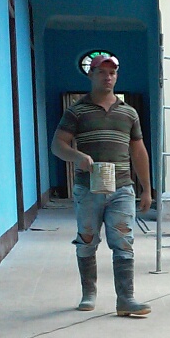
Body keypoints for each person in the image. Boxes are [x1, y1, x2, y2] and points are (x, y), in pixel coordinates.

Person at [51, 54, 152, 317]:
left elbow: (138, 151)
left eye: (112, 73)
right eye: (102, 73)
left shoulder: (128, 113)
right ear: (91, 75)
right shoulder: (77, 111)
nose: (108, 77)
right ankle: (89, 293)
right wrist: (78, 157)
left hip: (122, 188)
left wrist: (146, 188)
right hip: (88, 188)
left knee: (124, 241)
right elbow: (58, 145)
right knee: (87, 240)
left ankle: (126, 299)